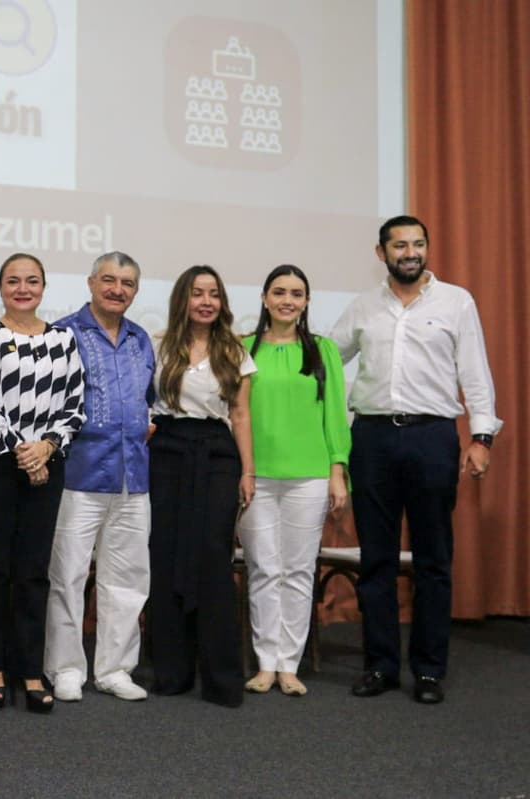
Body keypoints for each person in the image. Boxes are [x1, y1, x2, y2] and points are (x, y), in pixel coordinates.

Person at [330, 215, 500, 705]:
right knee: (376, 561)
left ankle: (428, 671)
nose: (410, 252)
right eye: (400, 244)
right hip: (373, 440)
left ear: (427, 248)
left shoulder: (456, 301)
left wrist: (482, 436)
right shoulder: (363, 306)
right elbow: (323, 359)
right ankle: (380, 667)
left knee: (433, 560)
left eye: (418, 243)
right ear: (381, 252)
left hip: (432, 438)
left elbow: (475, 371)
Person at [0, 252, 85, 713]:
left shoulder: (64, 339)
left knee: (34, 571)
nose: (22, 288)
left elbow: (74, 405)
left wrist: (46, 448)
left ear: (43, 288)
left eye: (31, 281)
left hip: (48, 464)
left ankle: (30, 668)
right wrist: (23, 450)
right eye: (13, 280)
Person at [44, 252, 154, 703]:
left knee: (127, 578)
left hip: (134, 476)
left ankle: (114, 669)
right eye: (109, 280)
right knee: (67, 575)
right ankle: (66, 668)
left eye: (127, 283)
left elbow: (150, 397)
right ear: (91, 283)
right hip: (78, 473)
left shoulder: (141, 338)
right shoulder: (63, 333)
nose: (117, 289)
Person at [238, 265, 350, 697]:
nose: (288, 300)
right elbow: (237, 413)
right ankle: (266, 663)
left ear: (306, 302)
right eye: (280, 292)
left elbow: (334, 414)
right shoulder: (243, 347)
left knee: (299, 570)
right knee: (264, 568)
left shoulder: (323, 350)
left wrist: (337, 470)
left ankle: (289, 664)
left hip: (310, 476)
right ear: (265, 297)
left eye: (297, 293)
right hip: (257, 476)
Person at [148, 265, 255, 708]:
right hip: (167, 452)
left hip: (215, 456)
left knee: (212, 558)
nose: (206, 301)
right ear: (183, 299)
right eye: (197, 293)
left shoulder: (236, 351)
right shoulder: (157, 345)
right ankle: (171, 672)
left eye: (214, 293)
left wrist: (248, 472)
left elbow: (241, 415)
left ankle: (221, 679)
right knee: (167, 555)